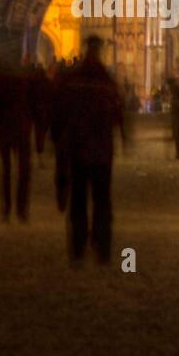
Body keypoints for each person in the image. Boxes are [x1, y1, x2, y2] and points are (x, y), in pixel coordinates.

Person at [56, 35, 126, 265]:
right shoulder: (106, 79)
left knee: (79, 199)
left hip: (78, 149)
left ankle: (78, 247)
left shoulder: (73, 78)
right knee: (102, 199)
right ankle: (102, 245)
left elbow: (61, 113)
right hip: (101, 151)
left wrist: (58, 145)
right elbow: (119, 114)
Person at [0, 59, 32, 223]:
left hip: (4, 129)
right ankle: (21, 210)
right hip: (22, 128)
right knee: (23, 170)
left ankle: (6, 208)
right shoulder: (23, 82)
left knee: (6, 169)